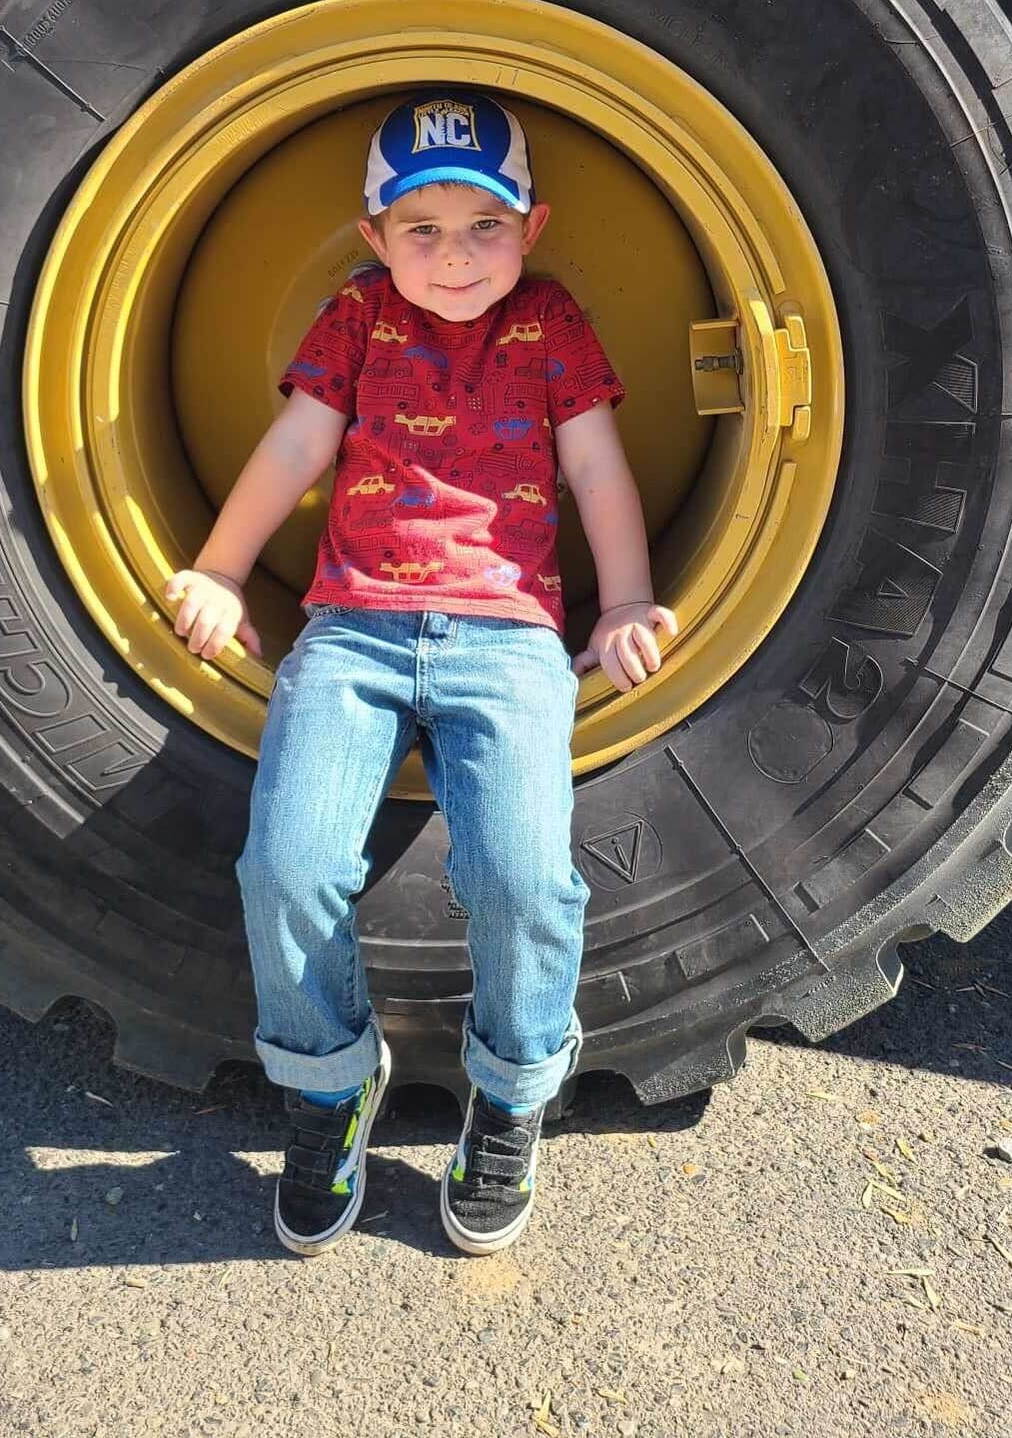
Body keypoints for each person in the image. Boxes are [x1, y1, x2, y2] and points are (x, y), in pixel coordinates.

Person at [165, 92, 677, 1257]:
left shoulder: (551, 326)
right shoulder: (354, 318)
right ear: (373, 235)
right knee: (287, 863)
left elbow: (593, 470)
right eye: (421, 228)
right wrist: (217, 571)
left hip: (504, 636)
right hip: (352, 627)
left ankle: (509, 1092)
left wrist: (630, 598)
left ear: (531, 224)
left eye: (482, 224)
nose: (453, 256)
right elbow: (295, 445)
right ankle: (329, 1080)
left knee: (523, 879)